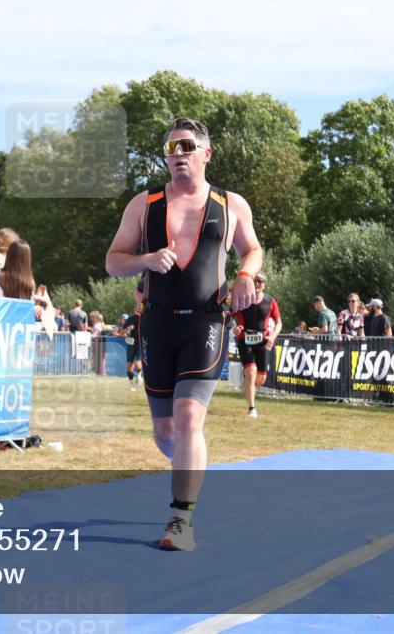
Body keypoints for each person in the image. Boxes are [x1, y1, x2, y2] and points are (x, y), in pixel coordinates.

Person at [105, 116, 262, 551]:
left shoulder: (231, 205)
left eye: (187, 146)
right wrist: (146, 259)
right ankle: (192, 468)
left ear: (206, 154)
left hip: (206, 322)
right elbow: (113, 262)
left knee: (191, 418)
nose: (178, 154)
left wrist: (247, 274)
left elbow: (252, 248)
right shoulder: (144, 204)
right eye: (171, 148)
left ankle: (181, 519)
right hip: (157, 323)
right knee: (165, 431)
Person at [231, 271, 281, 418]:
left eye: (260, 281)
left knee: (260, 379)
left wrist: (273, 336)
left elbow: (279, 322)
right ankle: (252, 408)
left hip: (263, 341)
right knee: (251, 372)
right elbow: (229, 316)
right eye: (254, 281)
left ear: (264, 285)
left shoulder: (270, 301)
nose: (257, 283)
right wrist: (234, 327)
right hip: (244, 339)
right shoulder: (241, 299)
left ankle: (247, 382)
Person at [118, 279, 145, 390]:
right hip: (130, 342)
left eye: (140, 308)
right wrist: (128, 329)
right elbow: (121, 332)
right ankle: (132, 384)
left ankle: (139, 375)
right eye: (137, 308)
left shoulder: (145, 319)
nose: (138, 309)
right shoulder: (130, 319)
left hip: (140, 342)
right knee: (129, 365)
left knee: (138, 363)